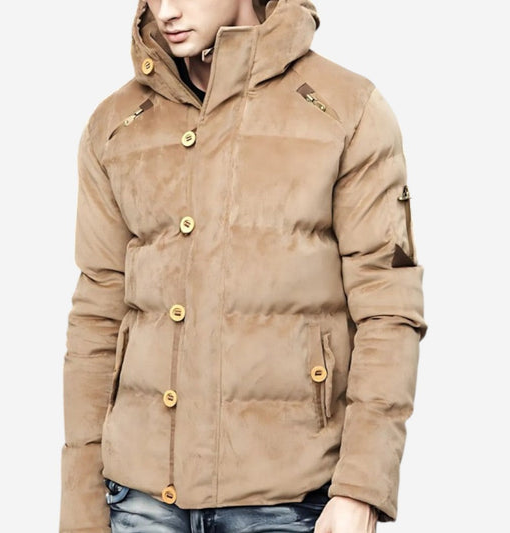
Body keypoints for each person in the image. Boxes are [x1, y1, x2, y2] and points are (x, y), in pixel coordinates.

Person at [59, 0, 427, 532]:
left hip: (288, 500)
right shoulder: (116, 125)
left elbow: (388, 311)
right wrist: (80, 507)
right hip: (138, 501)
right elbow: (96, 317)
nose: (165, 10)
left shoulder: (345, 109)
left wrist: (362, 488)